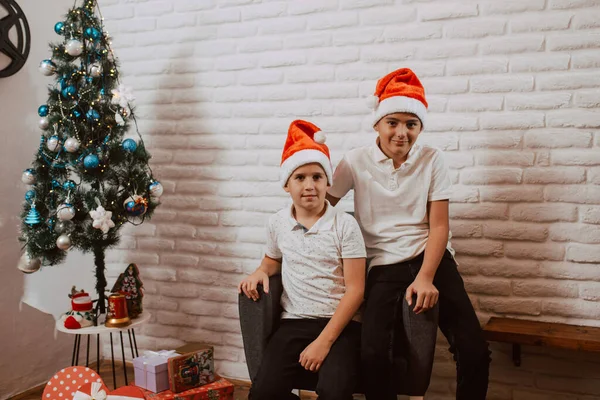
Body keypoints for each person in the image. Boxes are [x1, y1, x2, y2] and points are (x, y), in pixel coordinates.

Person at [327, 68, 491, 400]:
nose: (402, 133)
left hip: (429, 254)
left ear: (420, 127)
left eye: (411, 124)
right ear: (377, 124)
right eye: (393, 122)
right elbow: (322, 210)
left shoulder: (433, 160)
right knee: (374, 352)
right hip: (383, 264)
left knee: (474, 348)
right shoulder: (355, 161)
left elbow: (440, 226)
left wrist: (427, 277)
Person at [239, 120, 367, 400]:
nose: (309, 186)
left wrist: (323, 342)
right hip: (294, 321)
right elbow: (272, 260)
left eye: (317, 177)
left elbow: (356, 290)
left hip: (340, 324)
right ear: (287, 184)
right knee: (262, 394)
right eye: (300, 178)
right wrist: (260, 271)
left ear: (328, 182)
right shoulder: (277, 223)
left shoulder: (345, 225)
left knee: (334, 390)